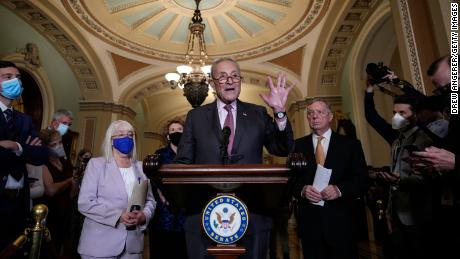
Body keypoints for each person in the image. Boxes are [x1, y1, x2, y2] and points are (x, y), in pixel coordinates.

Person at [174, 57, 294, 259]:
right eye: (222, 76)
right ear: (212, 83)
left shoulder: (258, 113)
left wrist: (280, 112)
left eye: (234, 76)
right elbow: (183, 162)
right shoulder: (196, 117)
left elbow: (282, 148)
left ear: (240, 80)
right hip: (204, 211)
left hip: (253, 211)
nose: (229, 80)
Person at [292, 98, 368, 259]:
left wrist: (339, 190)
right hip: (310, 224)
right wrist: (303, 190)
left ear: (330, 116)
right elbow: (291, 181)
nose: (314, 116)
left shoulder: (350, 145)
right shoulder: (297, 146)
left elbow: (362, 179)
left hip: (342, 222)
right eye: (310, 113)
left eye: (319, 112)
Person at [78, 120, 155, 259]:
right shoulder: (96, 165)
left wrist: (144, 216)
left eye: (130, 134)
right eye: (120, 134)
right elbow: (85, 203)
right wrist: (118, 215)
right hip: (99, 245)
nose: (127, 138)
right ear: (111, 140)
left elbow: (150, 201)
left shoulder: (141, 167)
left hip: (133, 246)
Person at [0, 60, 48, 252]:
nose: (15, 82)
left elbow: (41, 155)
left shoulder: (24, 120)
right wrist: (26, 150)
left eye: (18, 78)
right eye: (8, 77)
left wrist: (16, 146)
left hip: (19, 204)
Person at [149, 117, 187, 259]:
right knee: (163, 250)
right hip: (164, 210)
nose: (176, 132)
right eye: (172, 130)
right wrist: (163, 197)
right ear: (167, 135)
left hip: (185, 211)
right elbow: (153, 179)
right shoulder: (159, 154)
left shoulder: (191, 154)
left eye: (179, 130)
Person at [37, 128, 78, 258]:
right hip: (49, 217)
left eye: (59, 143)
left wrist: (76, 180)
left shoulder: (66, 163)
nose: (58, 146)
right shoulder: (42, 163)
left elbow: (72, 194)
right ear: (46, 147)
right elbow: (51, 190)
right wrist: (69, 181)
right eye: (53, 144)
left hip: (65, 215)